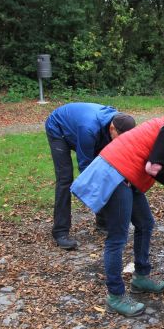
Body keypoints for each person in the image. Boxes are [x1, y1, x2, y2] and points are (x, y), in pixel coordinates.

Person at [71, 103, 164, 317]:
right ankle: (115, 296)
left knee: (145, 223)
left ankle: (141, 277)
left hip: (129, 176)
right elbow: (154, 167)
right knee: (117, 237)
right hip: (117, 173)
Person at [45, 102, 136, 250]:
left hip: (84, 128)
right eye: (119, 138)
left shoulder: (120, 121)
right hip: (58, 127)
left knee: (106, 170)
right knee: (65, 179)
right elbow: (86, 168)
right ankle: (60, 231)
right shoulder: (88, 129)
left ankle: (102, 221)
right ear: (112, 129)